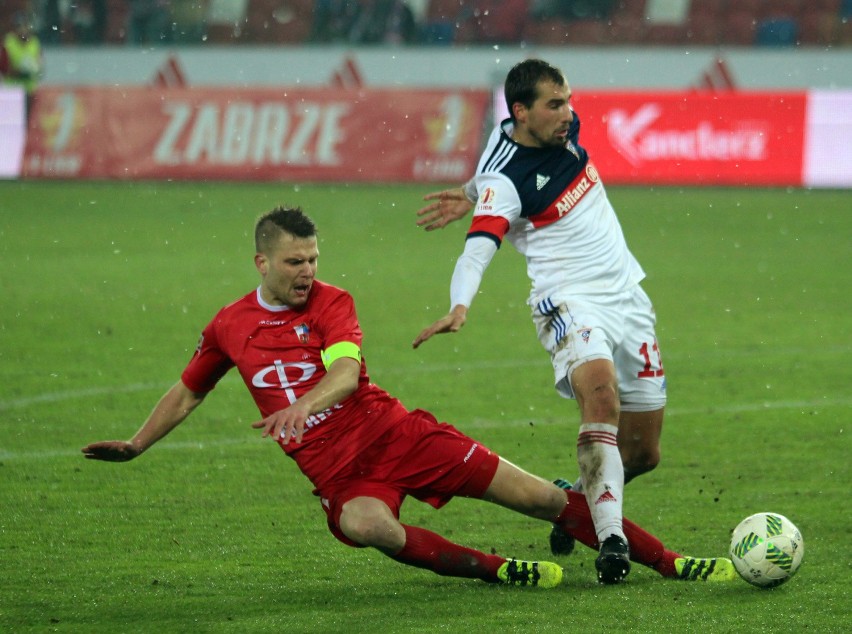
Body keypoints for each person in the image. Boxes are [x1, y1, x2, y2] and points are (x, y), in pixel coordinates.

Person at [82, 206, 735, 587]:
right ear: (261, 263)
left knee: (540, 498)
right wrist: (138, 444)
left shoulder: (333, 303)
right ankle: (500, 572)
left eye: (312, 258)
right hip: (338, 473)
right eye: (294, 263)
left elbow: (344, 371)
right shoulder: (230, 325)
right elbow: (188, 391)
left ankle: (675, 564)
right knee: (369, 527)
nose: (308, 271)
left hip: (399, 435)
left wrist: (306, 404)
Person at [413, 59, 667, 584]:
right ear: (521, 111)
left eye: (569, 100)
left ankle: (576, 498)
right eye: (555, 104)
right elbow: (480, 246)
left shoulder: (546, 133)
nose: (569, 114)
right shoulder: (505, 183)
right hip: (568, 299)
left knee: (642, 453)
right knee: (601, 397)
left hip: (628, 296)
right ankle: (611, 540)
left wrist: (467, 192)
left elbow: (487, 171)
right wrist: (460, 303)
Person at [0, 12, 44, 120]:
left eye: (25, 26)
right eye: (20, 27)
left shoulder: (35, 42)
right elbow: (4, 69)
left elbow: (40, 67)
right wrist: (19, 72)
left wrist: (35, 69)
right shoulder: (8, 43)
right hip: (12, 91)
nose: (23, 30)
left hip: (28, 90)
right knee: (11, 123)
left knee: (25, 122)